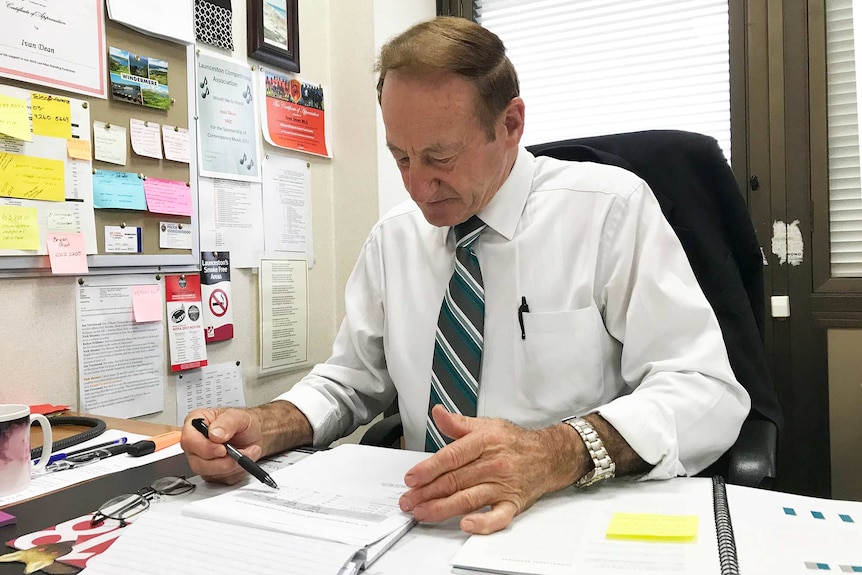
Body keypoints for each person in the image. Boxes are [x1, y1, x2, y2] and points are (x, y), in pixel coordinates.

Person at [182, 16, 750, 535]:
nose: (417, 186)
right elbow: (352, 381)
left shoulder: (608, 212)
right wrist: (264, 423)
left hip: (568, 518)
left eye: (441, 158)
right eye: (401, 158)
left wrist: (556, 451)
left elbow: (706, 391)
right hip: (415, 526)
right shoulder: (396, 238)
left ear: (511, 124)